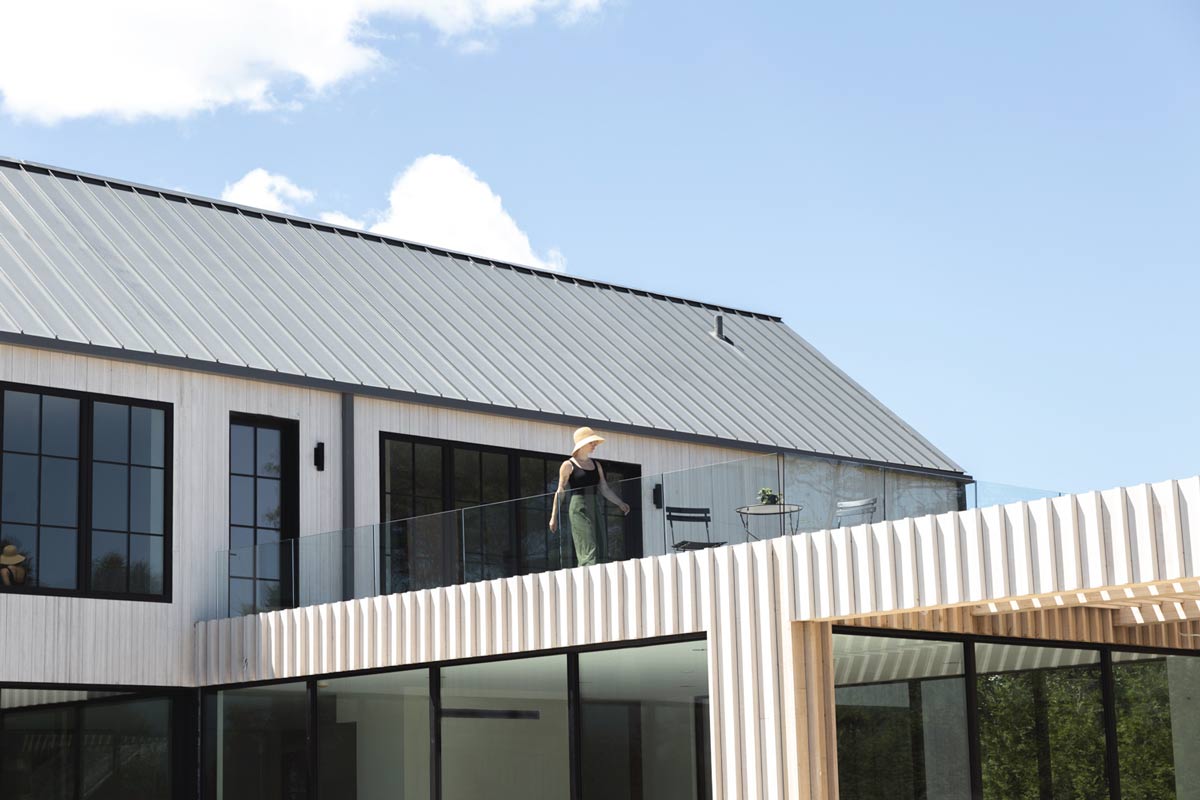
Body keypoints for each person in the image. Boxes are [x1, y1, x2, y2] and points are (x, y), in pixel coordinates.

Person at [549, 427, 630, 567]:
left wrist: (620, 503)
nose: (595, 445)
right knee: (587, 544)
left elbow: (604, 488)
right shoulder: (568, 465)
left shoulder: (596, 465)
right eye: (592, 442)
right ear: (582, 444)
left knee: (600, 541)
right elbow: (560, 490)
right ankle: (586, 577)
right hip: (578, 506)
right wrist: (553, 516)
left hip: (594, 505)